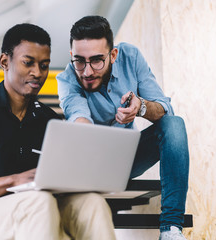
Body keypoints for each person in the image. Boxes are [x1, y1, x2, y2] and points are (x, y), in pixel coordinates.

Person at [0, 23, 117, 240]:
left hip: (38, 210)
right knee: (38, 201)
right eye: (28, 63)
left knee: (92, 204)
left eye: (44, 65)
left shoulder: (49, 121)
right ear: (4, 62)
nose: (37, 73)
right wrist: (13, 181)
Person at [57, 15, 189, 240]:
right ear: (71, 56)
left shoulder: (131, 57)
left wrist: (142, 107)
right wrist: (86, 130)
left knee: (173, 125)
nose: (87, 71)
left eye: (97, 60)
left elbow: (165, 108)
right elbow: (78, 117)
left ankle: (170, 231)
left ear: (113, 55)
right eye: (79, 60)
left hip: (129, 159)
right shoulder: (68, 79)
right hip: (92, 168)